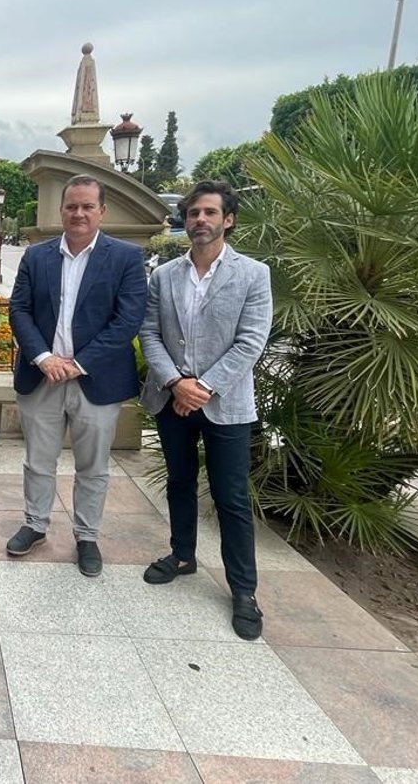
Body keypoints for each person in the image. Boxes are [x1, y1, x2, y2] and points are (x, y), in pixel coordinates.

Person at [138, 180, 272, 640]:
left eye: (210, 213)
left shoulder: (253, 274)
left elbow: (251, 341)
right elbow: (149, 332)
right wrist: (176, 382)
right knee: (179, 482)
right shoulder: (164, 275)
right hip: (172, 398)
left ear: (227, 220)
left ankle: (244, 590)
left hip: (226, 404)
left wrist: (204, 386)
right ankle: (182, 555)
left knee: (230, 497)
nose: (200, 220)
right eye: (194, 213)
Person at [6, 174, 146, 575]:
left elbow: (127, 320)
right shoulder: (37, 257)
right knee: (38, 460)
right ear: (61, 210)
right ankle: (35, 524)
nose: (79, 213)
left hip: (96, 380)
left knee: (93, 466)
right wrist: (43, 357)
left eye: (87, 206)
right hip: (42, 377)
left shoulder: (126, 258)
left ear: (102, 211)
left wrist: (79, 363)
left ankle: (87, 536)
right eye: (72, 206)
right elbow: (20, 309)